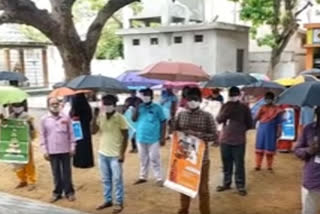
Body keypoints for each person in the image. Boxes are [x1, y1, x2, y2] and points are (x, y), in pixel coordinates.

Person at [172, 87, 218, 214]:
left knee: (203, 190)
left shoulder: (207, 116)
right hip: (184, 157)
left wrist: (196, 135)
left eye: (195, 99)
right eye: (190, 99)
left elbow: (214, 136)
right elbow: (174, 132)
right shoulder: (181, 115)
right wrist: (174, 128)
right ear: (186, 100)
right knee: (184, 186)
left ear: (200, 100)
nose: (192, 101)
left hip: (202, 159)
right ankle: (183, 210)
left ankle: (205, 211)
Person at [92, 95, 128, 214]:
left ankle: (118, 202)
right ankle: (108, 200)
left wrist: (122, 154)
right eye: (105, 103)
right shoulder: (101, 117)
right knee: (105, 179)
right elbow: (93, 131)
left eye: (109, 103)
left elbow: (125, 136)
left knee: (117, 179)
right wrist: (94, 116)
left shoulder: (120, 118)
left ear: (114, 105)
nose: (107, 106)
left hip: (115, 154)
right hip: (103, 153)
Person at [216, 86, 253, 196]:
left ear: (239, 95)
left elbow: (250, 124)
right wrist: (227, 112)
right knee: (226, 163)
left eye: (235, 95)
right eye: (232, 95)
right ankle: (226, 183)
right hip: (226, 140)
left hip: (238, 140)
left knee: (239, 164)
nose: (233, 97)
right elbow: (219, 119)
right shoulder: (225, 106)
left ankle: (240, 185)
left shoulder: (244, 107)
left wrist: (239, 129)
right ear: (229, 96)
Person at [40, 97, 76, 203]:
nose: (55, 105)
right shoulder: (44, 119)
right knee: (56, 173)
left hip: (65, 150)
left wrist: (73, 147)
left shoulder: (66, 118)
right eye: (52, 103)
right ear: (48, 105)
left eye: (57, 103)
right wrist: (44, 151)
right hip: (52, 151)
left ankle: (69, 192)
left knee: (67, 172)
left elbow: (72, 134)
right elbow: (43, 136)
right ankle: (57, 193)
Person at [132, 88, 166, 186]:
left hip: (154, 138)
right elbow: (134, 119)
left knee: (154, 158)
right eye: (143, 95)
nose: (145, 97)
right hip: (140, 136)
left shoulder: (157, 108)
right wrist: (136, 107)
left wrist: (162, 137)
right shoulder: (140, 107)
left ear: (151, 96)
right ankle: (143, 176)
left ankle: (159, 178)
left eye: (147, 95)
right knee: (143, 158)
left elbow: (163, 121)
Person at [1, 100, 37, 191]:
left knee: (28, 162)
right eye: (15, 105)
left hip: (25, 142)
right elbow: (5, 130)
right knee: (16, 162)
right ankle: (22, 180)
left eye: (19, 105)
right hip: (14, 143)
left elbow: (33, 133)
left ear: (23, 106)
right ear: (12, 107)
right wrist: (2, 121)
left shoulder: (28, 117)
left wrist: (30, 125)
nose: (17, 107)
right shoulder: (10, 117)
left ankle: (31, 181)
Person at [294, 106, 320, 214]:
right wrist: (310, 150)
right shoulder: (309, 129)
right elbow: (297, 150)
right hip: (312, 178)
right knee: (309, 210)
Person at [255, 92, 283, 171]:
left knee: (270, 149)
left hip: (271, 130)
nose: (268, 100)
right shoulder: (262, 107)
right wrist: (260, 112)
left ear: (273, 99)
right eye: (267, 98)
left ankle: (269, 166)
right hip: (262, 130)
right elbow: (256, 117)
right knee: (259, 147)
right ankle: (258, 165)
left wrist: (279, 131)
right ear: (264, 99)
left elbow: (279, 122)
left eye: (269, 99)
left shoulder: (277, 110)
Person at [70, 93, 94, 168]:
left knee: (78, 145)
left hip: (77, 127)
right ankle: (87, 162)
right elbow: (90, 117)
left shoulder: (75, 106)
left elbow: (71, 114)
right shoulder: (87, 106)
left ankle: (78, 162)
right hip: (85, 128)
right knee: (86, 145)